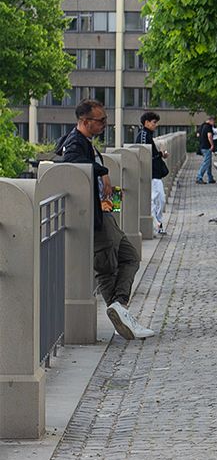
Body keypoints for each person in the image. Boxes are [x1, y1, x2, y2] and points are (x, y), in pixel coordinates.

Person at [56, 99, 152, 340]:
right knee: (107, 267)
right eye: (101, 121)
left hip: (104, 212)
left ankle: (119, 307)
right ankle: (120, 312)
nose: (105, 124)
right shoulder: (75, 143)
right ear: (85, 122)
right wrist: (104, 172)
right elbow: (71, 164)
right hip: (94, 217)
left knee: (129, 257)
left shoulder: (85, 141)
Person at [136, 111, 169, 236]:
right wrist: (161, 154)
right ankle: (157, 224)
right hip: (150, 174)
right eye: (154, 122)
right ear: (147, 122)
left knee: (159, 199)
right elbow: (146, 155)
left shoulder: (147, 135)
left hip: (155, 173)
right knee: (155, 199)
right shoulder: (144, 135)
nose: (156, 125)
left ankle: (158, 223)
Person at [195, 116, 216, 184]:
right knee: (206, 163)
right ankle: (199, 177)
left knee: (208, 163)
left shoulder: (202, 126)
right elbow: (209, 136)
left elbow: (198, 135)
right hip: (207, 147)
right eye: (214, 121)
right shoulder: (208, 127)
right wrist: (212, 144)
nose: (214, 123)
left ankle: (210, 178)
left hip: (202, 146)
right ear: (211, 120)